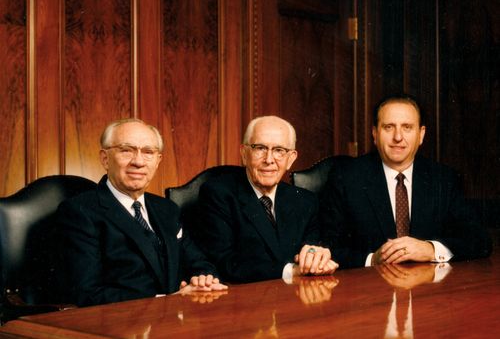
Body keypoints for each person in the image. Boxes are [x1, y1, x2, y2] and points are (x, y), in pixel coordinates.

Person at [56, 118, 226, 306]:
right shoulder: (80, 212)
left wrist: (203, 280)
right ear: (105, 159)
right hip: (120, 327)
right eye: (126, 150)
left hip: (175, 322)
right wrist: (166, 301)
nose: (138, 162)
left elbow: (199, 262)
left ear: (158, 161)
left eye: (148, 152)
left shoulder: (167, 209)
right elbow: (87, 293)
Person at [319, 95, 492, 268]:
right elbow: (325, 245)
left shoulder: (444, 179)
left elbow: (480, 240)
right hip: (370, 288)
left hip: (429, 289)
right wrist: (372, 260)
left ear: (421, 134)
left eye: (407, 127)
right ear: (374, 134)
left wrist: (431, 249)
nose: (398, 137)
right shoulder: (346, 177)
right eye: (388, 127)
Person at [193, 115, 338, 283]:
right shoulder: (218, 194)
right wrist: (290, 271)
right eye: (260, 148)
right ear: (244, 153)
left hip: (298, 298)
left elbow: (311, 249)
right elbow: (225, 263)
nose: (269, 160)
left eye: (279, 150)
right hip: (245, 302)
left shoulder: (306, 201)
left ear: (291, 159)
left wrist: (316, 259)